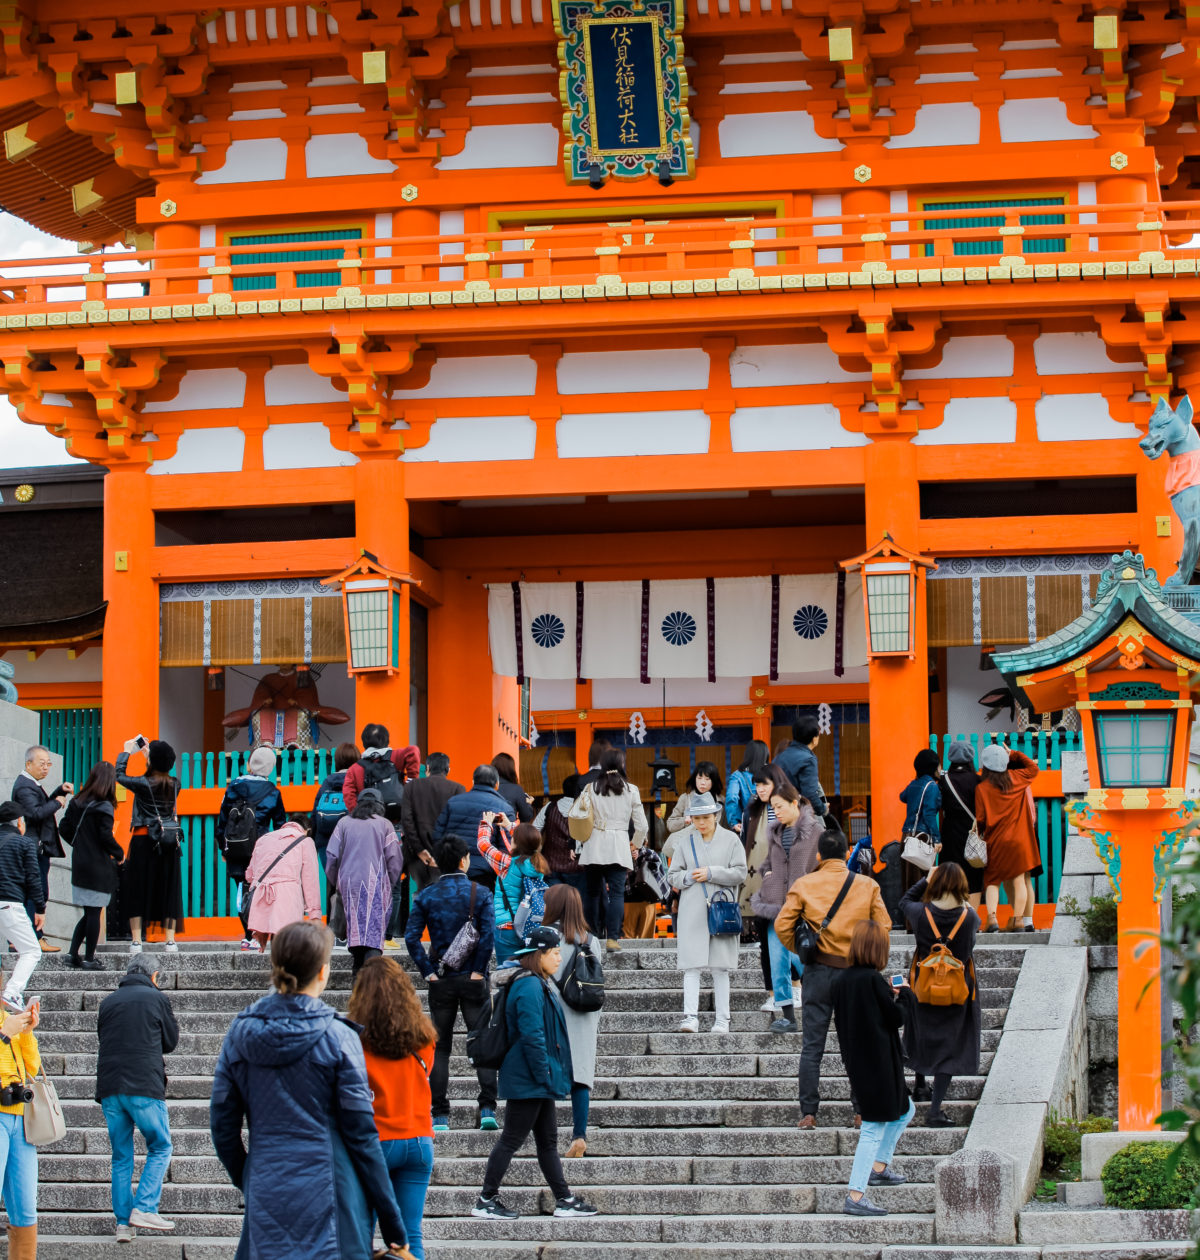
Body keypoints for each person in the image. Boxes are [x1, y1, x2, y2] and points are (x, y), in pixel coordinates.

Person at [210, 921, 412, 1259]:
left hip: (266, 1185)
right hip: (332, 1187)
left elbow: (222, 1125)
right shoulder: (339, 1037)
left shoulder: (240, 1034)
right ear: (322, 971)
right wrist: (392, 1220)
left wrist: (247, 1175)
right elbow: (362, 1135)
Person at [472, 925, 598, 1221]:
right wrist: (545, 1074)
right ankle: (486, 1198)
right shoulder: (529, 986)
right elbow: (532, 1036)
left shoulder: (537, 982)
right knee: (511, 1139)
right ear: (538, 954)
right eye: (554, 953)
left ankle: (564, 1199)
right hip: (529, 1078)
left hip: (535, 1078)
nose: (558, 958)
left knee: (547, 1142)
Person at [774, 825, 891, 1128]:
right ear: (846, 852)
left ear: (819, 855)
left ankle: (809, 1112)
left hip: (818, 972)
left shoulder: (804, 884)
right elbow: (884, 927)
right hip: (855, 973)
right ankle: (861, 1110)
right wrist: (866, 956)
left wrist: (805, 951)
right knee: (857, 1045)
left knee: (813, 1045)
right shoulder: (867, 886)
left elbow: (782, 926)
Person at [405, 835, 498, 1134]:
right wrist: (479, 971)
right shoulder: (480, 893)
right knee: (481, 1041)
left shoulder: (426, 895)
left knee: (441, 1048)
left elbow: (411, 937)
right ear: (463, 860)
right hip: (473, 979)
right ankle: (486, 1109)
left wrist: (428, 972)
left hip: (441, 979)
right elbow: (488, 936)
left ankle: (440, 1115)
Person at [349, 957, 437, 1260]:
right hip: (420, 1140)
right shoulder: (425, 1040)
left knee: (362, 1233)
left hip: (378, 1144)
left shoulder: (356, 1043)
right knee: (411, 1236)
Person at [833, 920, 915, 1216]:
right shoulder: (873, 980)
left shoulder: (842, 981)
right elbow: (896, 1018)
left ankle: (879, 1166)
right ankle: (856, 1195)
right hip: (878, 1064)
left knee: (906, 1109)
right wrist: (904, 995)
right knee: (871, 1128)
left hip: (859, 1062)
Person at [96, 954, 180, 1240]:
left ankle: (123, 1223)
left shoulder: (108, 1002)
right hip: (143, 1085)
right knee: (160, 1146)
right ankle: (144, 1207)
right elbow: (170, 1042)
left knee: (121, 1157)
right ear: (154, 976)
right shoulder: (156, 998)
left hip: (110, 1088)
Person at [900, 862, 980, 1128]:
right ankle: (934, 1110)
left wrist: (925, 879)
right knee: (950, 1046)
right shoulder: (970, 918)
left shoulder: (921, 913)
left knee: (920, 1035)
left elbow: (904, 900)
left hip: (923, 986)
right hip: (957, 991)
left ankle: (920, 1085)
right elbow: (969, 947)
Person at [666, 791, 747, 1035]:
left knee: (720, 967)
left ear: (716, 815)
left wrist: (712, 873)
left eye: (706, 817)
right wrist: (690, 876)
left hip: (722, 908)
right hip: (693, 909)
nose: (701, 823)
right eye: (697, 818)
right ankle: (690, 1017)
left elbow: (740, 872)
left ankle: (723, 1019)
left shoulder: (732, 840)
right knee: (691, 966)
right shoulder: (685, 841)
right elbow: (672, 876)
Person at [751, 781, 822, 1033]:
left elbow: (822, 867)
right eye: (773, 808)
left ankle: (825, 1005)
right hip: (776, 906)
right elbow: (768, 863)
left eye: (780, 806)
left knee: (806, 958)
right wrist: (769, 876)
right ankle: (789, 1017)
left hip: (806, 906)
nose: (776, 812)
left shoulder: (816, 831)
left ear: (795, 803)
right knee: (777, 959)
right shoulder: (775, 833)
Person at [542, 883, 602, 1158]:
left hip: (553, 1011)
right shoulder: (592, 941)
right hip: (585, 1013)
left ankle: (548, 1138)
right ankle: (579, 1134)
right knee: (581, 1077)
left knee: (548, 1075)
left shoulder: (546, 939)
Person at [325, 788, 404, 977]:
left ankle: (357, 978)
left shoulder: (343, 823)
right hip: (376, 886)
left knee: (355, 935)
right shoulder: (385, 825)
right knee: (373, 936)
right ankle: (370, 984)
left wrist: (338, 881)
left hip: (349, 886)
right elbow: (394, 860)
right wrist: (389, 883)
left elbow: (331, 857)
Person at [576, 749, 648, 953]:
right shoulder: (631, 789)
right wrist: (635, 843)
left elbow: (580, 818)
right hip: (618, 845)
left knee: (591, 893)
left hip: (593, 844)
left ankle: (589, 936)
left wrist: (579, 845)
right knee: (616, 894)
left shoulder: (590, 788)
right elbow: (642, 825)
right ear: (622, 764)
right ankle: (613, 939)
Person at [116, 739, 184, 953]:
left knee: (137, 888)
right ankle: (170, 941)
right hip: (168, 841)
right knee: (169, 888)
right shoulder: (175, 783)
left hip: (144, 839)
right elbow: (157, 771)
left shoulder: (143, 784)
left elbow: (119, 775)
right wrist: (150, 754)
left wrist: (127, 751)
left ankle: (137, 941)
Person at [216, 745, 287, 950]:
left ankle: (248, 934)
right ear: (270, 768)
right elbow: (280, 824)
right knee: (260, 889)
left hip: (236, 846)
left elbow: (222, 820)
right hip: (262, 847)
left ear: (250, 764)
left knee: (241, 888)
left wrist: (223, 846)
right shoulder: (273, 792)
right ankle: (258, 935)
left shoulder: (233, 787)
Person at [59, 761, 125, 971]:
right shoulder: (104, 806)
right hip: (98, 865)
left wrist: (79, 845)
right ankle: (89, 958)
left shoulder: (76, 801)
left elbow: (64, 828)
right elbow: (105, 836)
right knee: (95, 912)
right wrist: (119, 852)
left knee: (89, 912)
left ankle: (72, 954)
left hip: (80, 863)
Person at [11, 744, 71, 953]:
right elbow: (36, 813)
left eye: (49, 764)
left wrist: (58, 792)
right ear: (28, 764)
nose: (46, 768)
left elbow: (40, 804)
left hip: (37, 847)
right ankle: (31, 939)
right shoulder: (24, 786)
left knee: (36, 892)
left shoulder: (31, 784)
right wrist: (58, 802)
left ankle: (30, 938)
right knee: (35, 893)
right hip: (34, 848)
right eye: (42, 763)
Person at [975, 743, 1041, 933]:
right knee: (1019, 879)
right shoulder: (1017, 778)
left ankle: (992, 919)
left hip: (995, 840)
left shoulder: (982, 788)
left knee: (993, 881)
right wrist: (1012, 753)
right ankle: (1019, 920)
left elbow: (980, 819)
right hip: (1020, 841)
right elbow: (1033, 768)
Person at [0, 1002, 42, 1260]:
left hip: (19, 1119)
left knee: (26, 1208)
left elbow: (31, 1069)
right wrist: (4, 1034)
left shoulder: (8, 1018)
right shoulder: (6, 1024)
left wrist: (25, 1032)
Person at [476, 817, 549, 966]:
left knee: (506, 973)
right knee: (528, 971)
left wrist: (486, 823)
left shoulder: (506, 863)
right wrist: (509, 825)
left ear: (516, 842)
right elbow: (526, 843)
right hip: (530, 926)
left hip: (507, 927)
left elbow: (483, 845)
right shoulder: (538, 865)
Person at [742, 768, 784, 1013]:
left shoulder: (791, 807)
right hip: (758, 882)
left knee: (786, 938)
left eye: (764, 784)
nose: (760, 789)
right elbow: (746, 845)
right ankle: (772, 993)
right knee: (767, 942)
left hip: (786, 884)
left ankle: (795, 988)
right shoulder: (753, 810)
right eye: (757, 785)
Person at [244, 819, 322, 949]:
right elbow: (310, 880)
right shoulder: (305, 841)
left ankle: (277, 966)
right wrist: (314, 913)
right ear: (307, 830)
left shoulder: (264, 839)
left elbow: (249, 875)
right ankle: (283, 966)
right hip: (288, 895)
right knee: (287, 937)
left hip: (262, 895)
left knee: (276, 935)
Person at [434, 765, 513, 891]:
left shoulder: (453, 802)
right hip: (485, 876)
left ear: (473, 782)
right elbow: (507, 846)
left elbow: (438, 836)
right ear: (497, 785)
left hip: (453, 871)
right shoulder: (504, 809)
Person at [400, 751, 465, 902]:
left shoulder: (411, 787)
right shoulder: (458, 789)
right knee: (444, 900)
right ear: (448, 769)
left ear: (427, 768)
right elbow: (457, 824)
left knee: (420, 895)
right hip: (445, 858)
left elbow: (407, 821)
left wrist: (419, 850)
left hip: (417, 857)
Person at [0, 804, 44, 1008]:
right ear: (19, 821)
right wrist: (40, 909)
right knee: (31, 951)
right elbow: (34, 879)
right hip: (9, 905)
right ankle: (12, 992)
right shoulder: (24, 843)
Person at [310, 741, 359, 918]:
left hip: (326, 842)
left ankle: (333, 928)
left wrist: (314, 841)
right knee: (352, 885)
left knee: (333, 885)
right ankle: (351, 928)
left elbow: (315, 813)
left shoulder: (327, 783)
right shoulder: (358, 783)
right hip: (352, 842)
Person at [940, 741, 984, 908]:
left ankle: (954, 916)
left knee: (950, 874)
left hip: (950, 833)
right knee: (974, 876)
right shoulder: (977, 780)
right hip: (973, 832)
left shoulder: (944, 780)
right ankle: (971, 920)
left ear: (950, 758)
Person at [341, 723, 420, 813]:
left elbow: (348, 794)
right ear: (386, 740)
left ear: (364, 742)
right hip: (397, 814)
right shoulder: (395, 756)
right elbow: (413, 750)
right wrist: (410, 781)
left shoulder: (354, 768)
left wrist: (358, 813)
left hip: (370, 816)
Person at [539, 775, 587, 901]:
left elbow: (534, 830)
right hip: (579, 869)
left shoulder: (549, 807)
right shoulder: (587, 810)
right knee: (577, 908)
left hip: (551, 866)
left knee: (554, 907)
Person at [664, 761, 725, 858]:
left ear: (713, 781)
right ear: (694, 779)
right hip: (689, 852)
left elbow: (725, 828)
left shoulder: (721, 801)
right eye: (699, 778)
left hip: (714, 851)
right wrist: (686, 820)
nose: (702, 783)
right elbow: (670, 825)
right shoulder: (686, 798)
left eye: (707, 779)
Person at [774, 716, 828, 819]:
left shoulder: (780, 756)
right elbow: (810, 794)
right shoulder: (808, 759)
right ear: (814, 738)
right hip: (796, 816)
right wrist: (823, 809)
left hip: (776, 813)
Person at [900, 748, 942, 855]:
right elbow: (929, 814)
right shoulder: (932, 786)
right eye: (939, 765)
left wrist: (914, 783)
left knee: (908, 871)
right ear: (933, 767)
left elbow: (902, 796)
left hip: (906, 836)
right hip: (921, 838)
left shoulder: (913, 784)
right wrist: (936, 839)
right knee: (922, 871)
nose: (940, 768)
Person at [725, 739, 771, 833]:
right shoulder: (771, 772)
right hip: (770, 822)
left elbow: (732, 797)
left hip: (748, 825)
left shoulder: (738, 775)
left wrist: (734, 822)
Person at [492, 752, 534, 824]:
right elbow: (526, 817)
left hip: (486, 831)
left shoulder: (487, 787)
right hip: (506, 831)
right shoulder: (516, 789)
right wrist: (528, 804)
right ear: (511, 769)